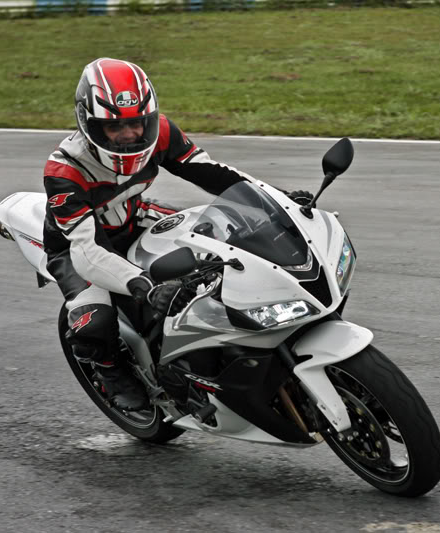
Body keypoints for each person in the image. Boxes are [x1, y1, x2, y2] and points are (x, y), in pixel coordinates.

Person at [43, 58, 312, 411]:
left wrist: (277, 198)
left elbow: (211, 172)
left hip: (133, 217)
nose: (129, 135)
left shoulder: (161, 133)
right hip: (76, 245)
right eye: (114, 128)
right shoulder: (65, 171)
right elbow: (87, 251)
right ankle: (109, 369)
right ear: (88, 123)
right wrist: (144, 284)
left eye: (137, 124)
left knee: (220, 250)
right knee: (95, 322)